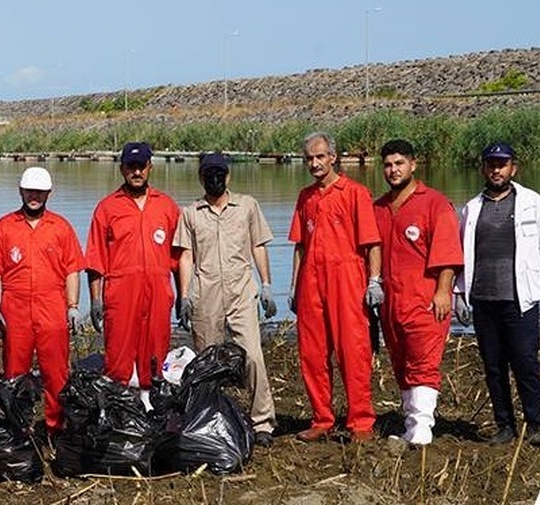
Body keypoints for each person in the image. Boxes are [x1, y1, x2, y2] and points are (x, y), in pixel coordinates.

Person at [174, 152, 278, 447]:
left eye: (219, 173)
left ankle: (262, 423)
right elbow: (185, 256)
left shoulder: (247, 206)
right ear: (201, 178)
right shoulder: (191, 213)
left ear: (228, 176)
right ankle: (210, 419)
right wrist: (184, 297)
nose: (215, 179)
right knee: (207, 362)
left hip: (241, 292)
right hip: (205, 295)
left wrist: (267, 284)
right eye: (209, 174)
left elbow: (258, 245)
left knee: (253, 357)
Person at [288, 132, 382, 443]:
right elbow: (300, 245)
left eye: (319, 157)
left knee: (352, 351)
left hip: (347, 280)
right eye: (309, 159)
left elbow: (372, 243)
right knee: (312, 353)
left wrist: (374, 281)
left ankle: (360, 421)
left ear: (333, 157)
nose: (314, 164)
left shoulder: (355, 193)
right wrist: (294, 286)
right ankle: (322, 419)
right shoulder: (305, 197)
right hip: (312, 282)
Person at [455, 142, 540, 446]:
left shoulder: (533, 203)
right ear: (483, 168)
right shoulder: (471, 208)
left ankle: (534, 425)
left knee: (525, 363)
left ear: (513, 168)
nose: (497, 169)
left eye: (502, 164)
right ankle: (504, 426)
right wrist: (459, 294)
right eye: (491, 164)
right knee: (493, 366)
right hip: (483, 300)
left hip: (520, 300)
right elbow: (461, 256)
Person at [371, 139, 463, 446]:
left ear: (413, 164)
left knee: (423, 362)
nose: (393, 170)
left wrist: (443, 291)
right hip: (391, 302)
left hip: (424, 300)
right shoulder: (380, 207)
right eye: (387, 164)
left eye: (399, 163)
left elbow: (449, 252)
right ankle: (411, 424)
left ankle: (422, 427)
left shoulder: (434, 204)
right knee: (400, 361)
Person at [0, 167, 83, 434]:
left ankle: (55, 428)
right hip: (15, 306)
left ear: (49, 193)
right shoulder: (4, 227)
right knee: (14, 373)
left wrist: (72, 307)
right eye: (29, 191)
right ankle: (17, 429)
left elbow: (72, 269)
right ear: (21, 191)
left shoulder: (61, 227)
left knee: (56, 373)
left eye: (39, 192)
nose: (34, 196)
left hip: (52, 306)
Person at [86, 142, 180, 389]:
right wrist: (95, 301)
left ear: (150, 167)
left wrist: (183, 296)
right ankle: (120, 409)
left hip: (159, 291)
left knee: (156, 352)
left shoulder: (167, 206)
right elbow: (95, 260)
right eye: (131, 167)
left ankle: (151, 407)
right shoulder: (107, 208)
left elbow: (179, 258)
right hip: (120, 293)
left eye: (141, 167)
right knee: (118, 354)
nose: (136, 172)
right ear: (122, 169)